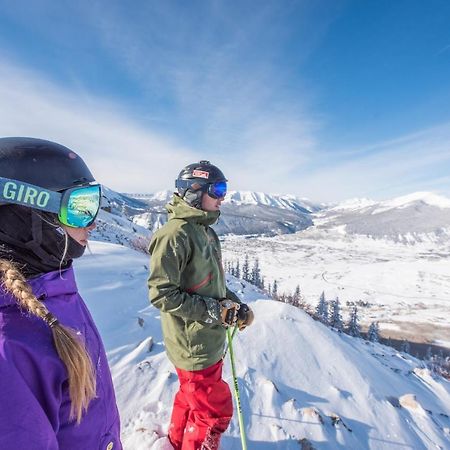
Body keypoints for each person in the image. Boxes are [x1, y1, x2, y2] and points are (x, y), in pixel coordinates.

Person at [0, 137, 122, 450]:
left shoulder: (53, 287)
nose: (93, 222)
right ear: (24, 214)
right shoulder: (10, 343)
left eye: (94, 202)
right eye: (79, 207)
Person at [148, 160, 254, 450]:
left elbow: (211, 285)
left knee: (190, 397)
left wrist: (235, 305)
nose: (223, 197)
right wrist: (214, 311)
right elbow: (161, 294)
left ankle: (175, 442)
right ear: (194, 191)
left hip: (207, 339)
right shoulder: (175, 235)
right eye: (217, 189)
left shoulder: (205, 231)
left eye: (224, 189)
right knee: (213, 414)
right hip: (193, 344)